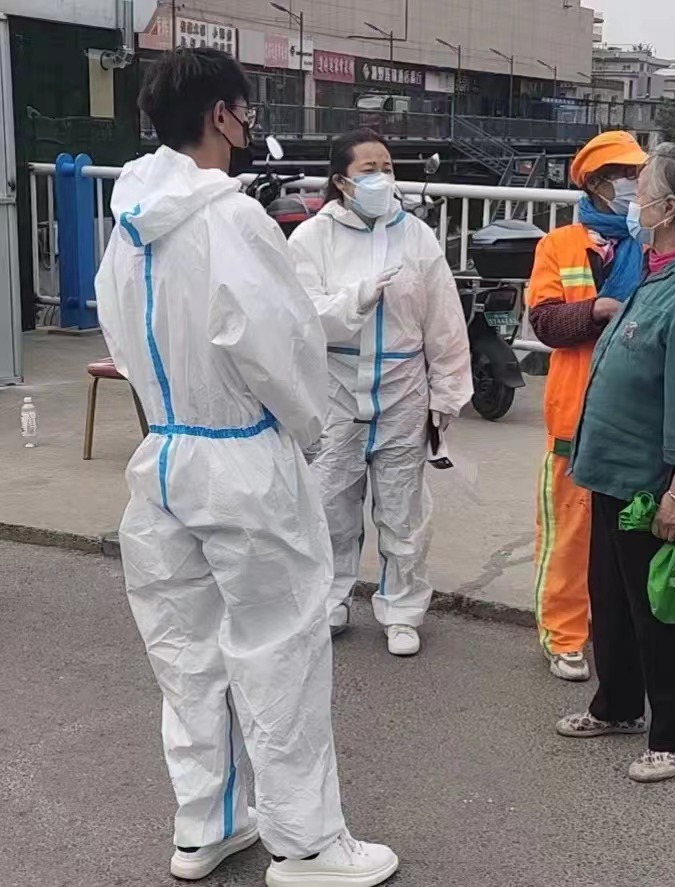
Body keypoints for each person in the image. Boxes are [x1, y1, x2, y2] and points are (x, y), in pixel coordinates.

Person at [95, 48, 398, 886]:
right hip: (241, 452)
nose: (248, 125)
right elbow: (282, 343)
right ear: (222, 116)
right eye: (244, 111)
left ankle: (207, 822)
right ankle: (307, 844)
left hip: (163, 452)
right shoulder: (232, 220)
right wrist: (304, 430)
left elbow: (119, 336)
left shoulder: (127, 225)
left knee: (185, 651)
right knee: (279, 649)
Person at [557, 143, 675, 783]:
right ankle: (617, 706)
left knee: (661, 610)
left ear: (668, 208)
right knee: (612, 602)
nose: (632, 201)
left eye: (641, 192)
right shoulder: (660, 270)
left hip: (652, 483)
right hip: (613, 472)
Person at [289, 129, 471, 657]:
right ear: (341, 181)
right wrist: (359, 297)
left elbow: (444, 322)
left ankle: (402, 610)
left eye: (387, 168)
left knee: (402, 510)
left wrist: (446, 395)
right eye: (368, 169)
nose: (381, 178)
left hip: (401, 391)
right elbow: (302, 315)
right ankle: (331, 600)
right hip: (337, 391)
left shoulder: (416, 237)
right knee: (330, 506)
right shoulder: (312, 239)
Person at [526, 131, 647, 682]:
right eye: (623, 175)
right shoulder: (559, 245)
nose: (633, 186)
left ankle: (618, 630)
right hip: (575, 417)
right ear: (596, 184)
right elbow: (546, 323)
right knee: (569, 537)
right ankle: (565, 635)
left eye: (639, 175)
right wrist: (597, 311)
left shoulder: (653, 244)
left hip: (634, 417)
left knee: (626, 537)